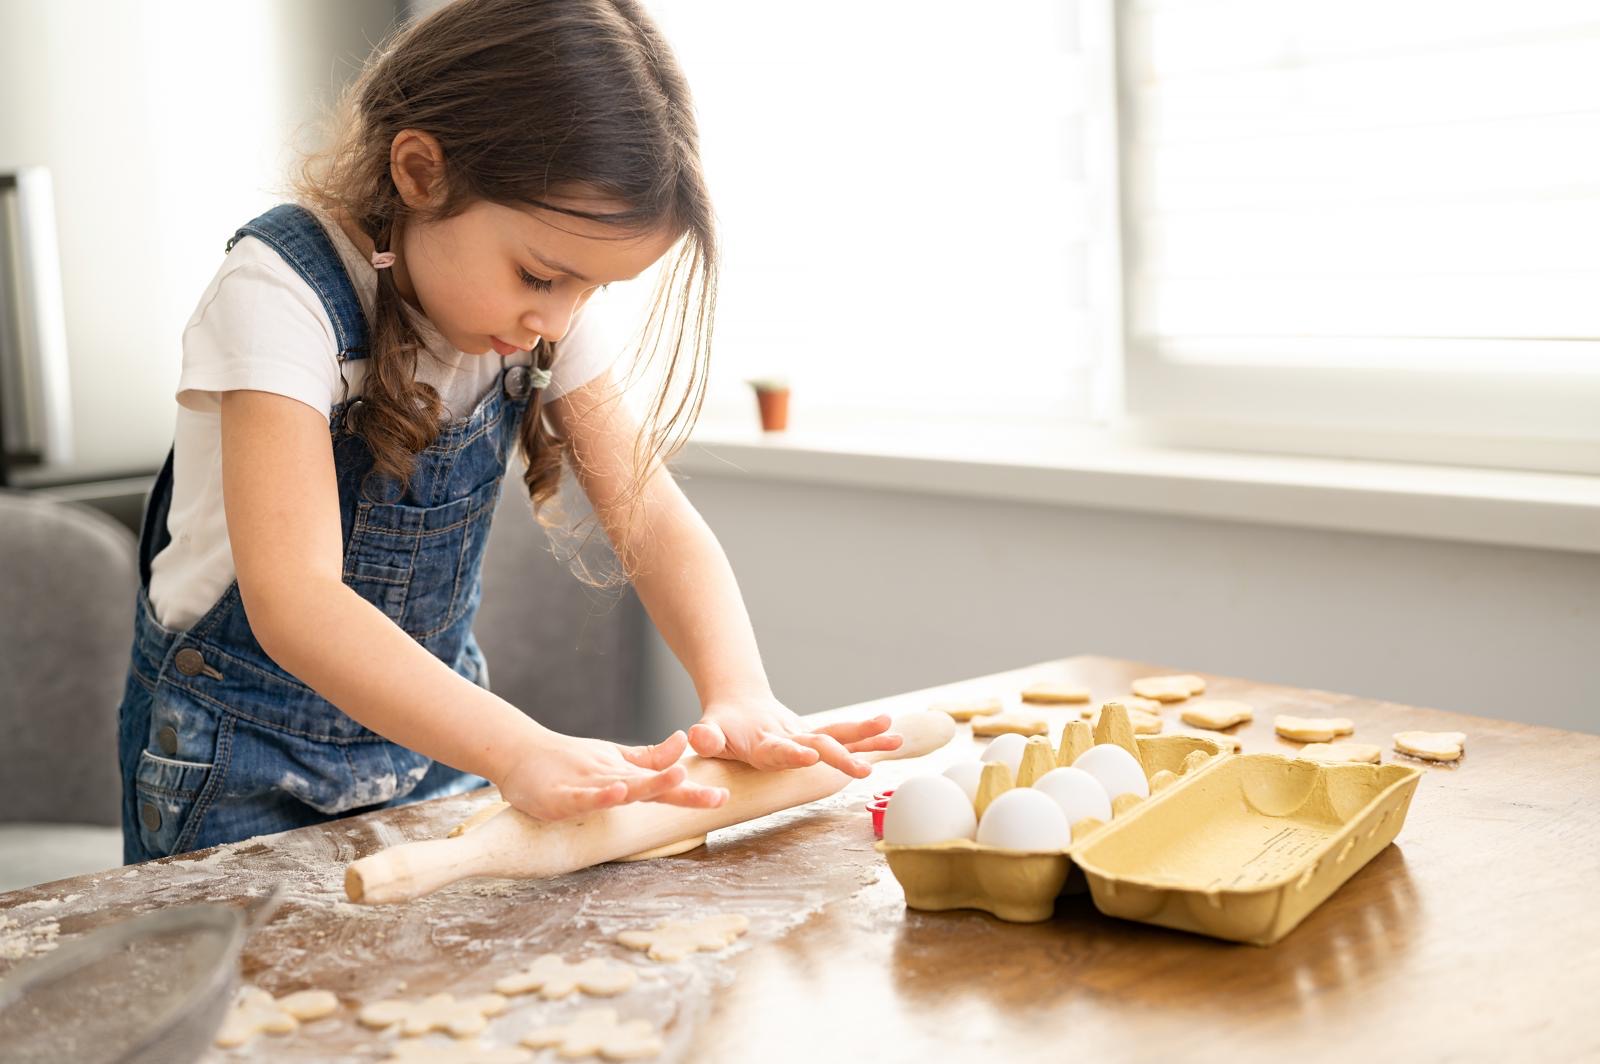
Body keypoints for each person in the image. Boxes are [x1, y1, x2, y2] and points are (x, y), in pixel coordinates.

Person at [117, 0, 896, 863]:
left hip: (432, 746)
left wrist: (740, 690)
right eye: (540, 274)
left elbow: (652, 516)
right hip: (235, 760)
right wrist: (518, 748)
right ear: (420, 172)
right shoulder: (278, 295)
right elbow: (295, 603)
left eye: (593, 291)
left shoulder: (538, 310)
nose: (555, 318)